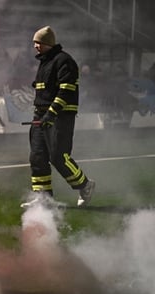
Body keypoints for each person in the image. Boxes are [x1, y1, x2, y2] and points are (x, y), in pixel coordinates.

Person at [22, 26, 95, 208]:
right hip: (41, 117)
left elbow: (66, 91)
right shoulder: (45, 62)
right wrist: (43, 114)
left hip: (60, 117)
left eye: (38, 42)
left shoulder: (64, 61)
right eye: (34, 43)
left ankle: (85, 185)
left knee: (58, 157)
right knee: (37, 157)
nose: (35, 46)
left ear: (47, 43)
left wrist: (51, 113)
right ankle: (43, 199)